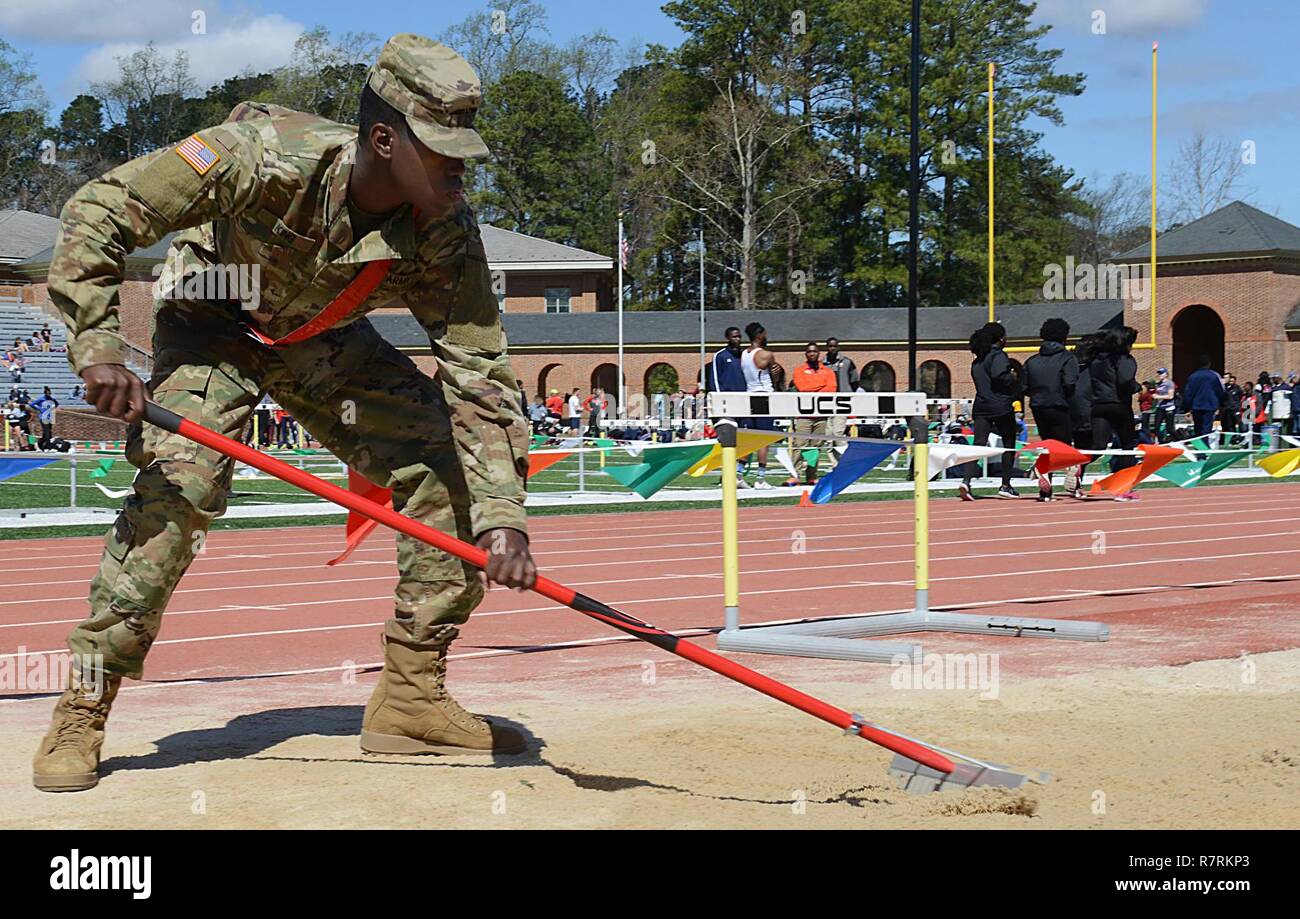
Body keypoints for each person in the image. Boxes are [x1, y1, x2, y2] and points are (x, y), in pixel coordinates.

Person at [33, 34, 539, 793]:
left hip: (320, 339)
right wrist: (99, 341)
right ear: (383, 138)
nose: (460, 170)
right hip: (215, 322)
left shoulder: (445, 232)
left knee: (453, 468)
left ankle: (409, 695)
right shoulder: (262, 156)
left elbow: (481, 375)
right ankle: (85, 699)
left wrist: (504, 512)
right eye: (442, 150)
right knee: (181, 486)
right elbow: (101, 208)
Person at [960, 322, 1021, 500]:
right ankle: (1005, 485)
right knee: (1009, 443)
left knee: (978, 444)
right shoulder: (998, 356)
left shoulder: (978, 360)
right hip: (1000, 405)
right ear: (1000, 339)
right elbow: (999, 376)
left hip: (981, 405)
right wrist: (1013, 377)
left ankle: (966, 481)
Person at [1021, 318, 1077, 501]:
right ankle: (1073, 481)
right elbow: (1070, 382)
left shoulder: (1031, 361)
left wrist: (1038, 394)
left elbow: (1023, 387)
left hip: (1038, 406)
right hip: (1060, 404)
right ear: (1064, 336)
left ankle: (1045, 490)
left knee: (1047, 445)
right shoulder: (1068, 358)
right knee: (1066, 445)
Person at [1090, 326, 1142, 500]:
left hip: (1098, 405)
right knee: (1127, 446)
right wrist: (1136, 387)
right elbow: (1125, 380)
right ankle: (1123, 487)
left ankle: (1077, 468)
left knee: (1098, 446)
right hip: (1119, 405)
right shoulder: (1124, 360)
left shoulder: (1096, 360)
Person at [787, 342, 836, 486]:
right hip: (803, 415)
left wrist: (814, 387)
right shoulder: (799, 370)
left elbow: (831, 389)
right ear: (806, 354)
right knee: (800, 445)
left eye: (814, 351)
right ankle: (794, 475)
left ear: (819, 353)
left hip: (821, 415)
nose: (812, 354)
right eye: (809, 352)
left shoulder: (828, 371)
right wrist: (821, 385)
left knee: (816, 447)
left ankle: (811, 476)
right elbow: (802, 388)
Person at [740, 321, 782, 489]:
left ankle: (738, 474)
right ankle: (760, 479)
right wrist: (777, 378)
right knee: (763, 439)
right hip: (764, 397)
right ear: (759, 335)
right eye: (764, 334)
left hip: (749, 396)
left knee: (748, 437)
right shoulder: (766, 354)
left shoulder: (744, 354)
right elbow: (775, 376)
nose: (766, 336)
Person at [823, 337, 859, 458]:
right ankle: (834, 464)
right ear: (827, 347)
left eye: (834, 346)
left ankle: (845, 460)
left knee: (837, 433)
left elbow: (855, 380)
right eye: (830, 346)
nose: (832, 348)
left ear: (838, 347)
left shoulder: (847, 362)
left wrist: (848, 393)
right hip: (826, 402)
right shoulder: (822, 364)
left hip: (842, 401)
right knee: (828, 435)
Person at [1182, 356, 1225, 438]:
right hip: (1209, 405)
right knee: (1207, 427)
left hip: (1196, 405)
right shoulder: (1213, 376)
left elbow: (1188, 393)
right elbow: (1219, 391)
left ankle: (1199, 445)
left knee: (1197, 426)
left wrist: (1186, 407)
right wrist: (1221, 404)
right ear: (1209, 364)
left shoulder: (1193, 377)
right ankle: (1204, 446)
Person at [1150, 368, 1176, 443]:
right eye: (1159, 373)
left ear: (1166, 374)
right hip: (1160, 407)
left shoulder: (1170, 383)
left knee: (1170, 428)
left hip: (1169, 407)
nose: (1160, 375)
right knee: (1156, 426)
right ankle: (1162, 442)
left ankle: (1178, 439)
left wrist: (1158, 397)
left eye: (1161, 373)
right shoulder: (1158, 384)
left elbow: (1170, 396)